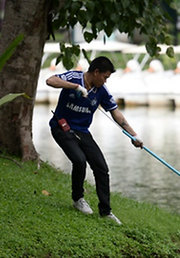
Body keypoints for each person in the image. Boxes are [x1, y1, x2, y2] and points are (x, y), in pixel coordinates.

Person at [46, 56, 143, 225]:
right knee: (79, 160)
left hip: (83, 132)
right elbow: (50, 80)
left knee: (101, 168)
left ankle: (106, 212)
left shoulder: (102, 91)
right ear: (96, 72)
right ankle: (78, 199)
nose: (105, 81)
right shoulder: (75, 77)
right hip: (62, 128)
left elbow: (116, 114)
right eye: (104, 77)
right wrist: (75, 87)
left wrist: (134, 136)